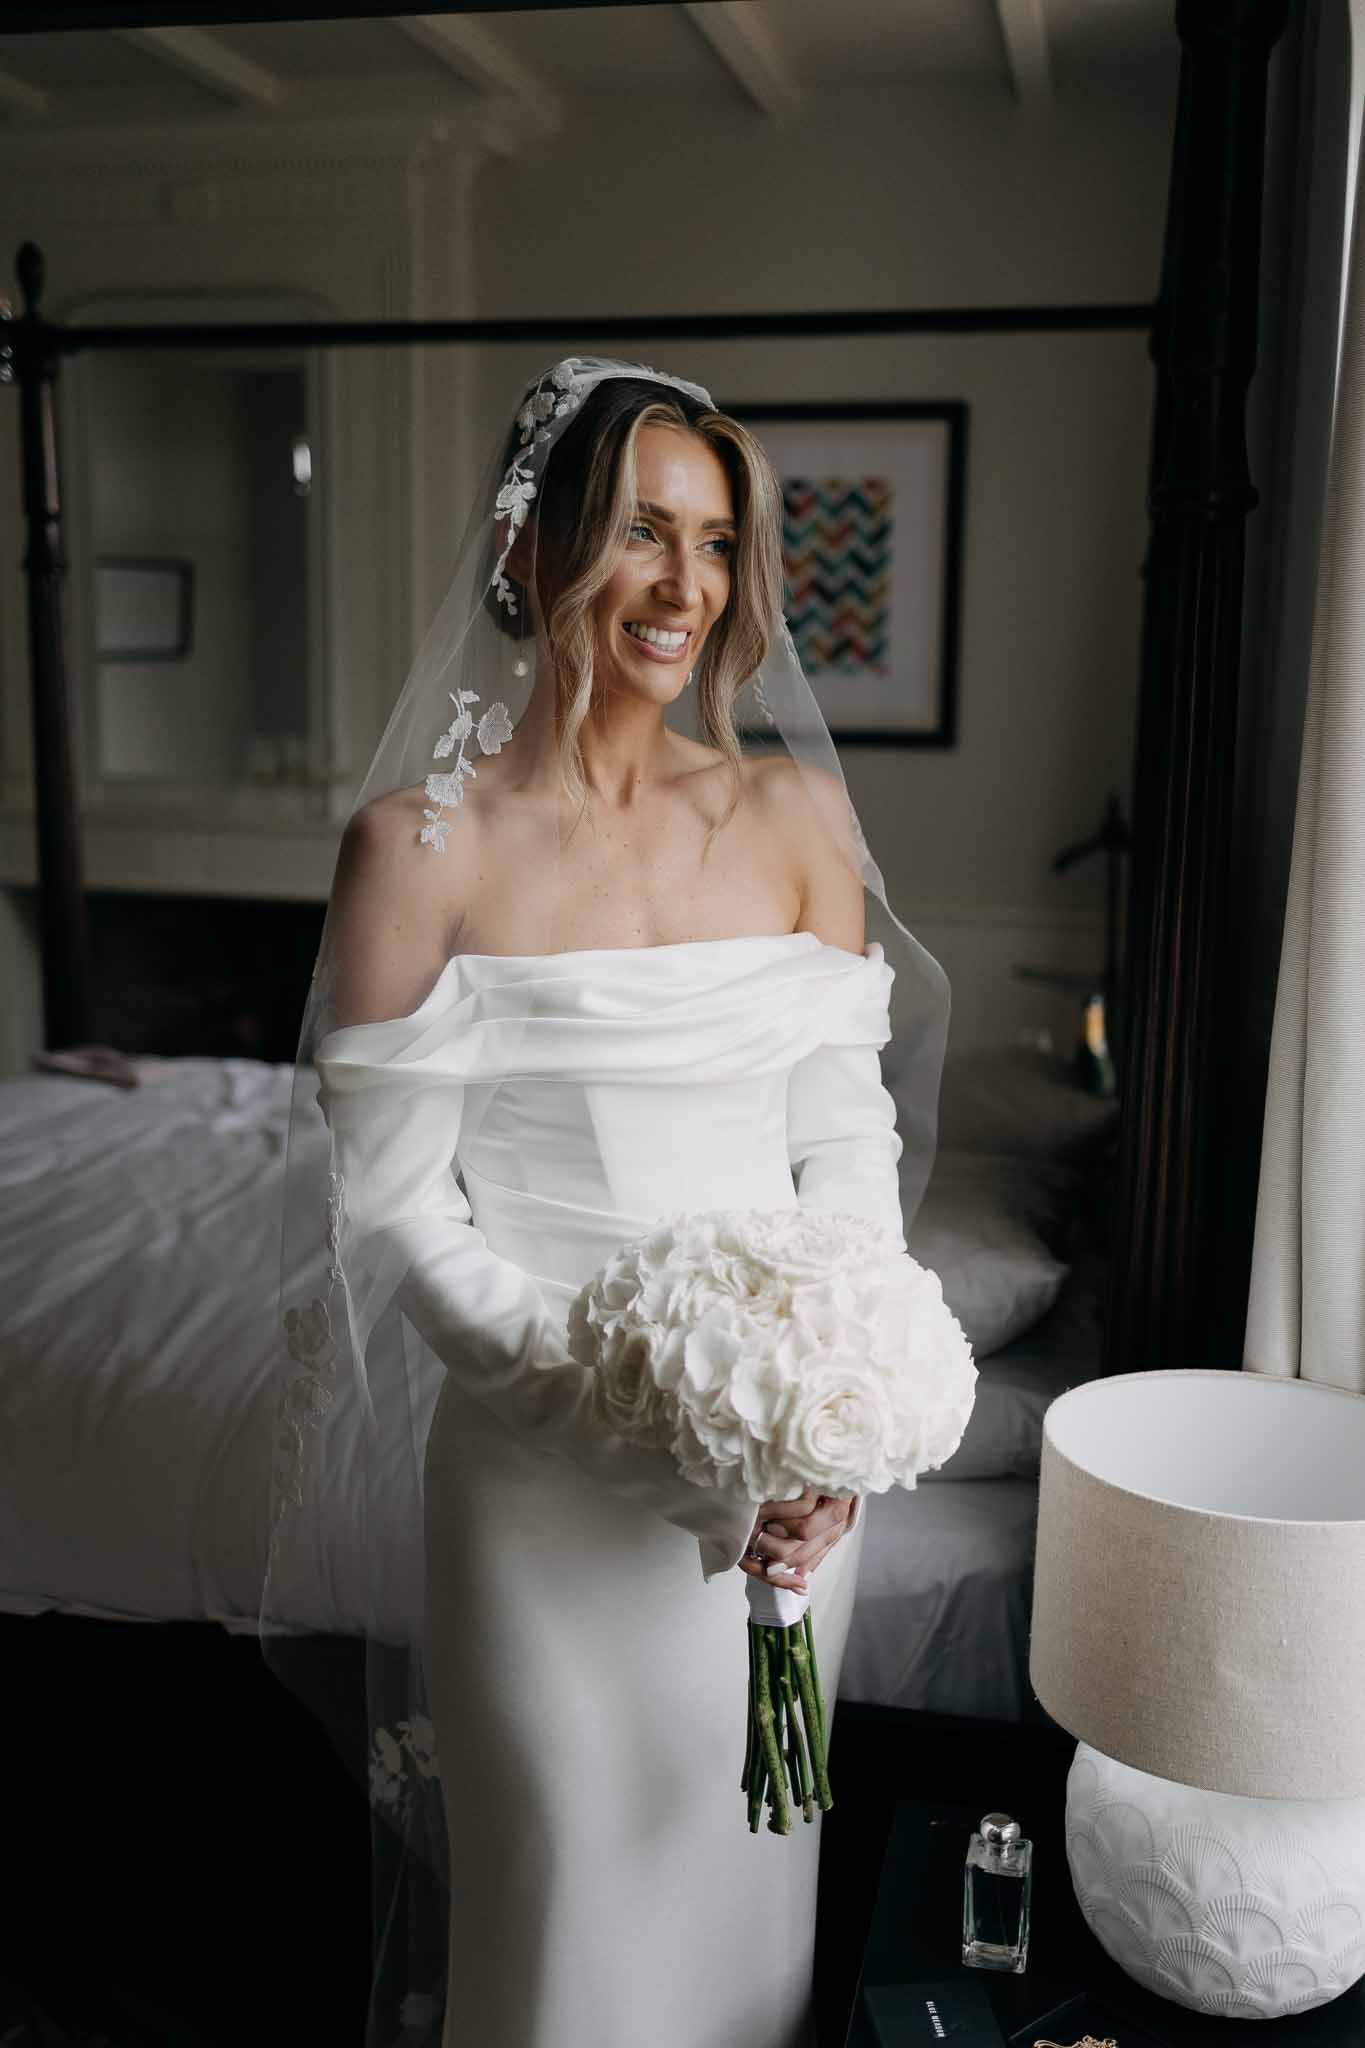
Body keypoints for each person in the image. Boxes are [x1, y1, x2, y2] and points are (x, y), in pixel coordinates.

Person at [265, 358, 949, 2048]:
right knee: (566, 1913)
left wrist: (837, 1411)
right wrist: (638, 1420)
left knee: (744, 1897)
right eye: (640, 531)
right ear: (532, 544)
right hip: (540, 1480)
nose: (681, 585)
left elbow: (844, 1140)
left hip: (780, 1497)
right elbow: (397, 1213)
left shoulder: (793, 816)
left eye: (712, 543)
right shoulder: (415, 849)